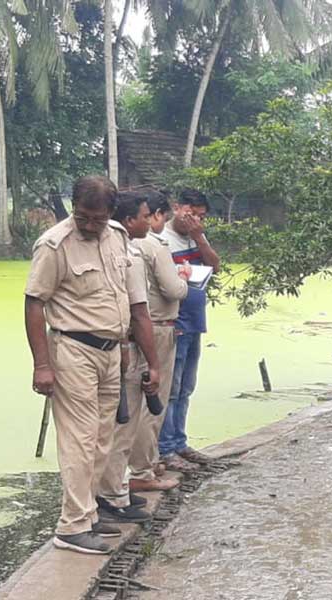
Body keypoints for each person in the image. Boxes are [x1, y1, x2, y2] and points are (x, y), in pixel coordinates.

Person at [24, 176, 157, 554]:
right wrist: (42, 365)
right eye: (82, 216)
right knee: (79, 440)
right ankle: (72, 527)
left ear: (111, 214)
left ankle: (90, 514)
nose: (87, 225)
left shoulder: (117, 236)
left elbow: (121, 297)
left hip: (110, 352)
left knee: (102, 438)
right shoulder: (54, 245)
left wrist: (124, 346)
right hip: (73, 351)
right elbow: (34, 303)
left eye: (96, 218)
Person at [98, 191, 184, 521]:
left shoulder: (120, 250)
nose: (150, 222)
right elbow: (140, 312)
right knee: (126, 418)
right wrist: (152, 361)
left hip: (118, 342)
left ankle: (115, 489)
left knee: (121, 420)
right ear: (129, 220)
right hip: (128, 342)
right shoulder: (135, 252)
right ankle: (113, 491)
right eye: (146, 216)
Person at [127, 190, 190, 490]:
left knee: (138, 400)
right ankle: (143, 471)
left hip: (133, 329)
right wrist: (185, 277)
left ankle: (148, 462)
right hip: (158, 326)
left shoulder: (127, 245)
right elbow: (173, 290)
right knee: (154, 401)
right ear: (155, 215)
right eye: (161, 216)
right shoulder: (154, 246)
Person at [158, 189, 220, 472]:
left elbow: (214, 266)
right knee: (170, 388)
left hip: (195, 320)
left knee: (186, 387)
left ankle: (180, 442)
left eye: (201, 216)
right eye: (191, 213)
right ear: (176, 207)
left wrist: (198, 236)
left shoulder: (196, 237)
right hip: (174, 322)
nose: (195, 219)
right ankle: (166, 448)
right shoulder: (161, 240)